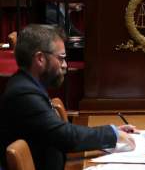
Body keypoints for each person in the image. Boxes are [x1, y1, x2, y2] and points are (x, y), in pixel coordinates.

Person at [0, 24, 136, 168]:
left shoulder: (25, 84)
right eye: (61, 58)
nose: (64, 65)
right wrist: (112, 134)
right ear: (40, 59)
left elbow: (60, 131)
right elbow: (65, 136)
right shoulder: (24, 94)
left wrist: (112, 130)